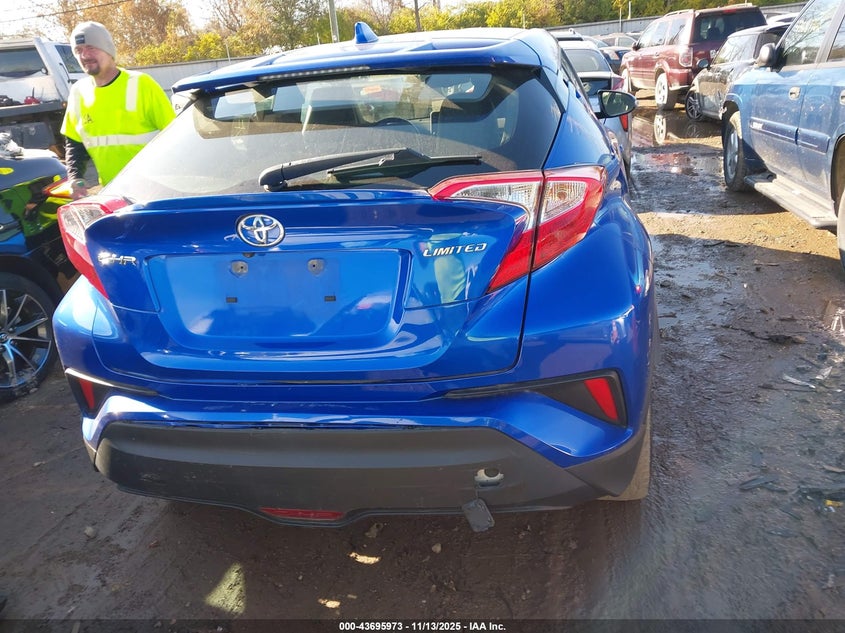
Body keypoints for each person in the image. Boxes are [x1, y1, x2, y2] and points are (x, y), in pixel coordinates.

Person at [61, 21, 176, 199]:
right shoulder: (78, 92)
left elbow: (174, 137)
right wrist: (75, 178)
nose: (85, 55)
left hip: (156, 192)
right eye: (78, 50)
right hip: (113, 193)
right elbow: (74, 144)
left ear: (108, 49)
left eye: (91, 47)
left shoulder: (142, 84)